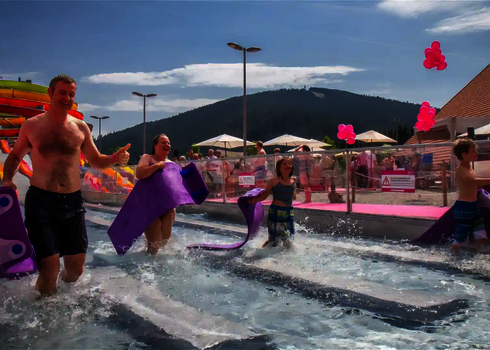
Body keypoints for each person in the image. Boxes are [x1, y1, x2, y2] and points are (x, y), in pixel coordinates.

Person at [1, 74, 130, 297]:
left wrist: (114, 158)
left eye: (71, 94)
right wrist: (7, 180)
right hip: (41, 202)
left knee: (76, 268)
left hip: (72, 202)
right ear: (51, 93)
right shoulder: (32, 126)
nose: (67, 98)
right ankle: (44, 307)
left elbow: (96, 160)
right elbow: (14, 156)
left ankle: (56, 294)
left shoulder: (80, 128)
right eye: (62, 92)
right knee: (50, 268)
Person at [135, 134, 176, 255]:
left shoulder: (171, 164)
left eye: (168, 143)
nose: (167, 145)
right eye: (163, 142)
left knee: (165, 237)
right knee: (154, 238)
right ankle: (149, 261)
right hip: (148, 204)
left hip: (165, 204)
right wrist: (157, 166)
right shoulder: (147, 158)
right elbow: (140, 173)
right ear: (155, 145)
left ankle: (160, 261)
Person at [451, 138, 490, 251]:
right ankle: (451, 258)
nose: (476, 153)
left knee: (481, 235)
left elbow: (476, 181)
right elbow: (474, 182)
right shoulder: (460, 169)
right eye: (473, 151)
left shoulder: (469, 167)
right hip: (464, 207)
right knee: (461, 239)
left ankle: (477, 256)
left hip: (473, 206)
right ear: (464, 154)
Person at [250, 157, 296, 248]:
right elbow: (265, 194)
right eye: (285, 164)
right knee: (273, 239)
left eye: (290, 164)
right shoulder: (274, 181)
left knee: (289, 238)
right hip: (276, 211)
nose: (288, 165)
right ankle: (263, 252)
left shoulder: (293, 181)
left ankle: (286, 258)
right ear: (279, 167)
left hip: (289, 211)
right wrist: (254, 200)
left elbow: (293, 196)